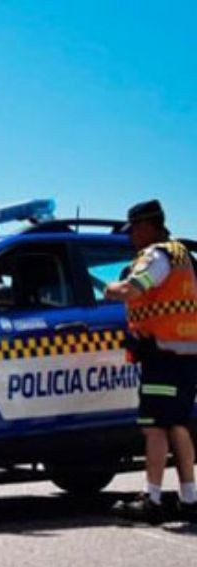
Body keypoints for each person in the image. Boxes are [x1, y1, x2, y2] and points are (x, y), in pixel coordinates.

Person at [103, 199, 197, 524]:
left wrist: (111, 288)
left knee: (155, 428)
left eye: (133, 231)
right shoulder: (183, 255)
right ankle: (189, 499)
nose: (131, 238)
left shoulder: (157, 256)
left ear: (146, 227)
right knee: (178, 425)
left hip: (162, 355)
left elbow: (134, 288)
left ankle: (152, 500)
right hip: (185, 353)